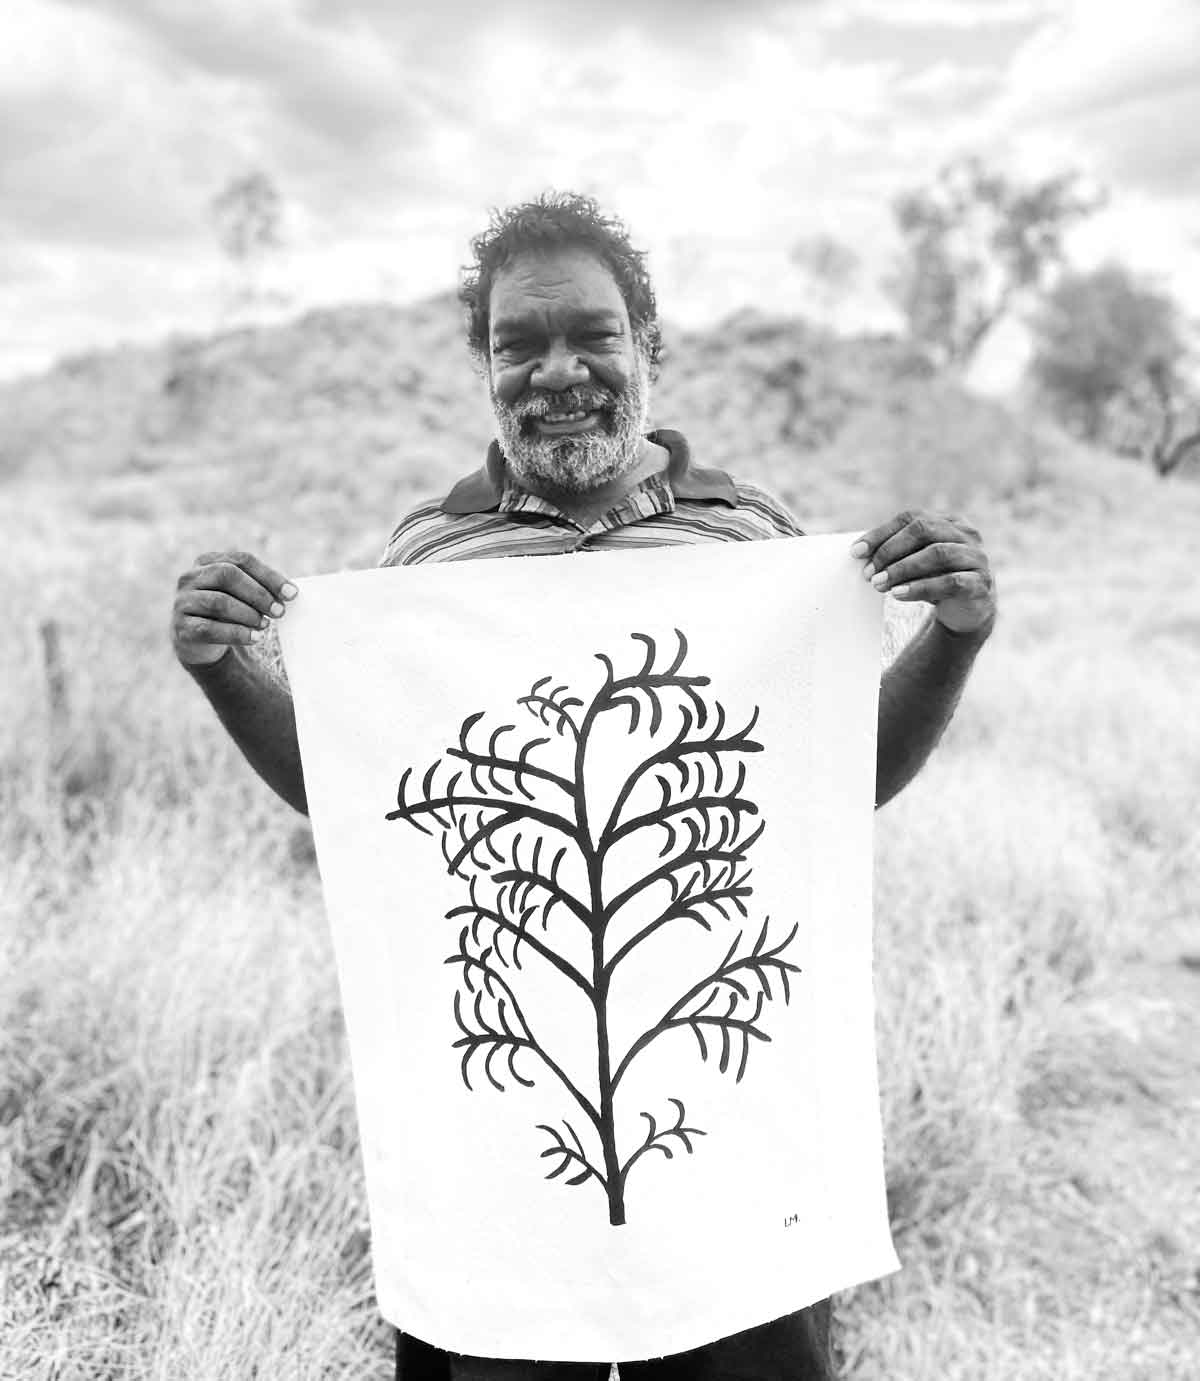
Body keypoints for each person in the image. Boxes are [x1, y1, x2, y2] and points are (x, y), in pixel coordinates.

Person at [171, 192, 996, 1380]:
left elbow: (834, 783)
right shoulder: (429, 562)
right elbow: (368, 810)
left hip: (722, 1093)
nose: (559, 371)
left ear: (647, 348)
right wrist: (223, 671)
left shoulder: (750, 546)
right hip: (508, 1116)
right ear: (485, 365)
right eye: (519, 343)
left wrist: (954, 637)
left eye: (594, 336)